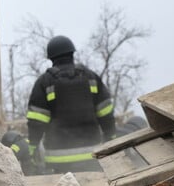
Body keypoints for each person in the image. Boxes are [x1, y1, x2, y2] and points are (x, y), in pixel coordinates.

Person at [26, 35, 116, 173]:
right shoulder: (91, 77)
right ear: (72, 53)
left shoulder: (45, 82)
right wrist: (111, 136)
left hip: (58, 160)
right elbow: (105, 112)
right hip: (92, 155)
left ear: (51, 58)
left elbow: (36, 121)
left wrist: (32, 147)